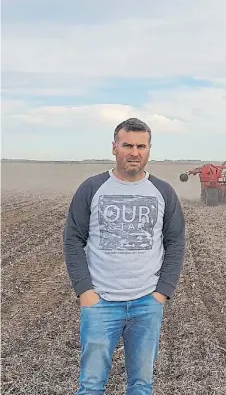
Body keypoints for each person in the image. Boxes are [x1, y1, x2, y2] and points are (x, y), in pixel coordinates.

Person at [63, 117, 186, 394]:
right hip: (101, 303)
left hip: (146, 303)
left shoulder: (163, 191)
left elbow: (175, 242)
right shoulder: (92, 188)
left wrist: (162, 292)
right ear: (114, 147)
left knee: (142, 384)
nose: (134, 152)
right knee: (92, 384)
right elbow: (73, 240)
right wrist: (85, 291)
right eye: (127, 145)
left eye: (141, 146)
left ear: (149, 149)